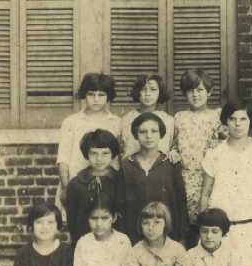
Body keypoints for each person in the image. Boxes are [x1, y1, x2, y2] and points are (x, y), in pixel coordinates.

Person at [200, 101, 252, 266]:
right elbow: (205, 193)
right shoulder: (215, 154)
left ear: (251, 122)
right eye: (233, 119)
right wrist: (205, 227)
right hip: (223, 230)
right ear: (225, 121)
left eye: (243, 119)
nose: (238, 124)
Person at [170, 69, 224, 246]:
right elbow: (174, 144)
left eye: (200, 90)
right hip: (186, 177)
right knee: (187, 223)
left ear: (209, 92)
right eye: (191, 91)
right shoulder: (179, 117)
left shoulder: (217, 116)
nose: (195, 95)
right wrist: (173, 151)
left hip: (208, 177)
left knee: (208, 220)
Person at [119, 112, 188, 244]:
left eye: (154, 131)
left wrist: (181, 237)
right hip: (134, 236)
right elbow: (121, 206)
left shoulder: (171, 163)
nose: (149, 136)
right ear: (136, 135)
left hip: (167, 236)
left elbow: (180, 202)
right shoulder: (126, 165)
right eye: (143, 132)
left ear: (161, 134)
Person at [57, 73, 122, 208]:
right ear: (84, 95)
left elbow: (117, 160)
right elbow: (63, 159)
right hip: (77, 185)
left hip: (108, 186)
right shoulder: (71, 122)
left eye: (101, 95)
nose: (96, 99)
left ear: (108, 96)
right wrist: (66, 188)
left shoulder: (117, 122)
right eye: (91, 94)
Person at [122, 202, 186, 266]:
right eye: (146, 223)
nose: (151, 228)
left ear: (165, 224)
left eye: (157, 222)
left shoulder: (177, 250)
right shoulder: (135, 251)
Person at [65, 129, 123, 245]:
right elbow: (73, 221)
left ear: (113, 154)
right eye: (94, 153)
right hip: (85, 244)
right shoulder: (76, 184)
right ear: (87, 154)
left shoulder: (121, 182)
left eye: (105, 153)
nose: (99, 159)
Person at [120, 74, 174, 158]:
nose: (147, 94)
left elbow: (171, 146)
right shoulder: (127, 119)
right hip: (132, 167)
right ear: (138, 92)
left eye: (153, 90)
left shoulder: (168, 120)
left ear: (160, 92)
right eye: (143, 89)